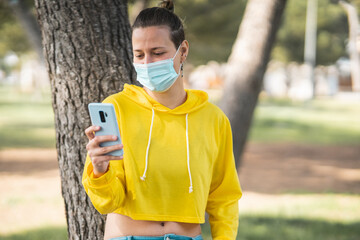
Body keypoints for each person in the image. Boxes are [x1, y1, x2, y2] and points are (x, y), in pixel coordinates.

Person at [82, 1, 242, 239]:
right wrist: (99, 169)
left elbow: (224, 197)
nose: (147, 63)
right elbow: (107, 204)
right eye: (139, 54)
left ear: (183, 51)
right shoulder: (115, 108)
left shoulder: (214, 119)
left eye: (158, 53)